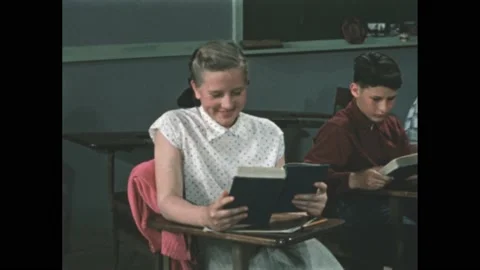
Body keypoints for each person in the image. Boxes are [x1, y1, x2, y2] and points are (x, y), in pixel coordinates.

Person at [148, 40, 342, 270]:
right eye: (216, 94)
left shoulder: (268, 131)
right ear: (196, 89)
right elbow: (168, 201)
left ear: (247, 86)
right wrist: (205, 216)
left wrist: (311, 204)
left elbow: (282, 200)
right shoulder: (175, 126)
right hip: (221, 242)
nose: (228, 104)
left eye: (237, 92)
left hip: (278, 238)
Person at [303, 51, 417, 270]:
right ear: (355, 90)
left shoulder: (391, 124)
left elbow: (403, 163)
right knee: (410, 235)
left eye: (391, 99)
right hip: (349, 211)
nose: (383, 108)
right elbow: (309, 177)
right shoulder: (338, 128)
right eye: (376, 99)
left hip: (390, 202)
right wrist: (353, 179)